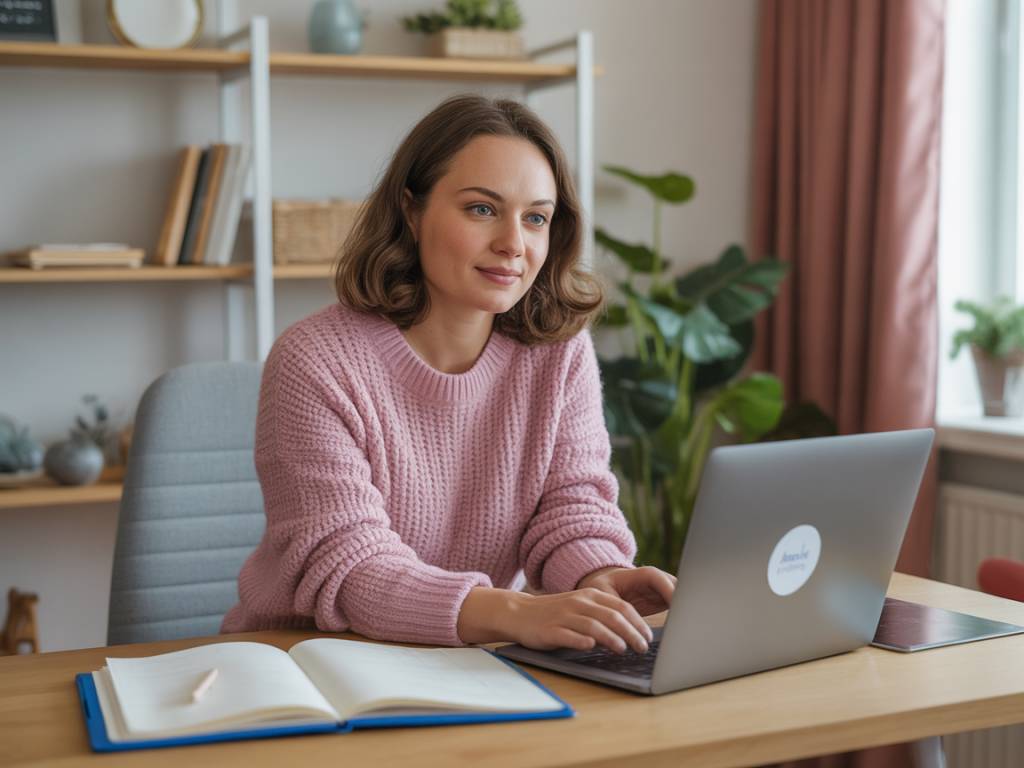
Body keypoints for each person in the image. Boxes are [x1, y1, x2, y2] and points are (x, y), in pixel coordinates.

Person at [222, 94, 676, 655]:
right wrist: (513, 611)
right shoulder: (315, 360)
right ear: (412, 211)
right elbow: (351, 564)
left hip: (469, 663)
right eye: (482, 209)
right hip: (311, 664)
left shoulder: (558, 353)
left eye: (535, 217)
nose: (514, 243)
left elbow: (570, 506)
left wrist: (597, 576)